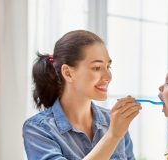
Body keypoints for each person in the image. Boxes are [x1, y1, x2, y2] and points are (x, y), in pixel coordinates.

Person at [23, 30, 142, 160]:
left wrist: (115, 132)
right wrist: (113, 136)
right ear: (68, 73)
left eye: (108, 67)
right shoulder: (38, 129)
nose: (108, 76)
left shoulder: (113, 122)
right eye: (97, 67)